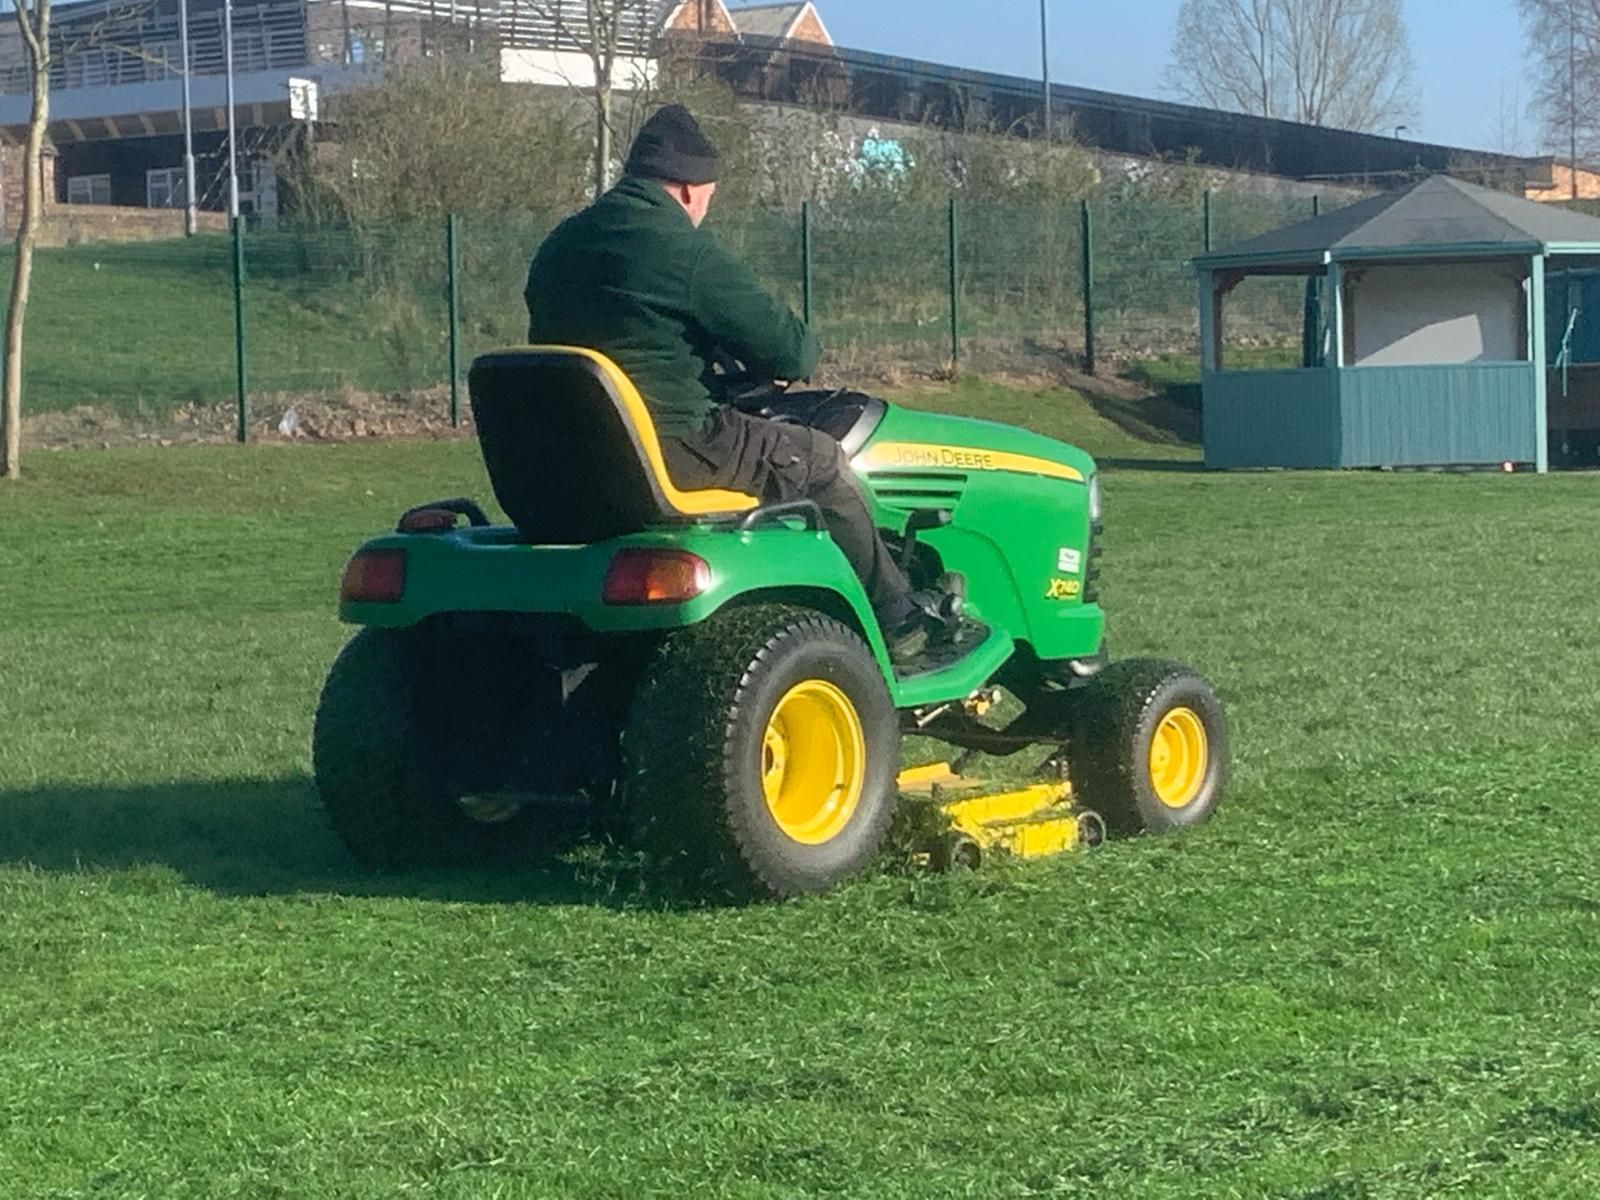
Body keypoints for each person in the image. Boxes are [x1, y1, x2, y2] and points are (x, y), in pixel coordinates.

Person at [524, 104, 953, 662]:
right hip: (673, 450)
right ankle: (899, 621)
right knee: (819, 462)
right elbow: (792, 350)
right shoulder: (680, 249)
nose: (704, 209)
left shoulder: (560, 244)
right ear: (685, 189)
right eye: (708, 196)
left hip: (567, 465)